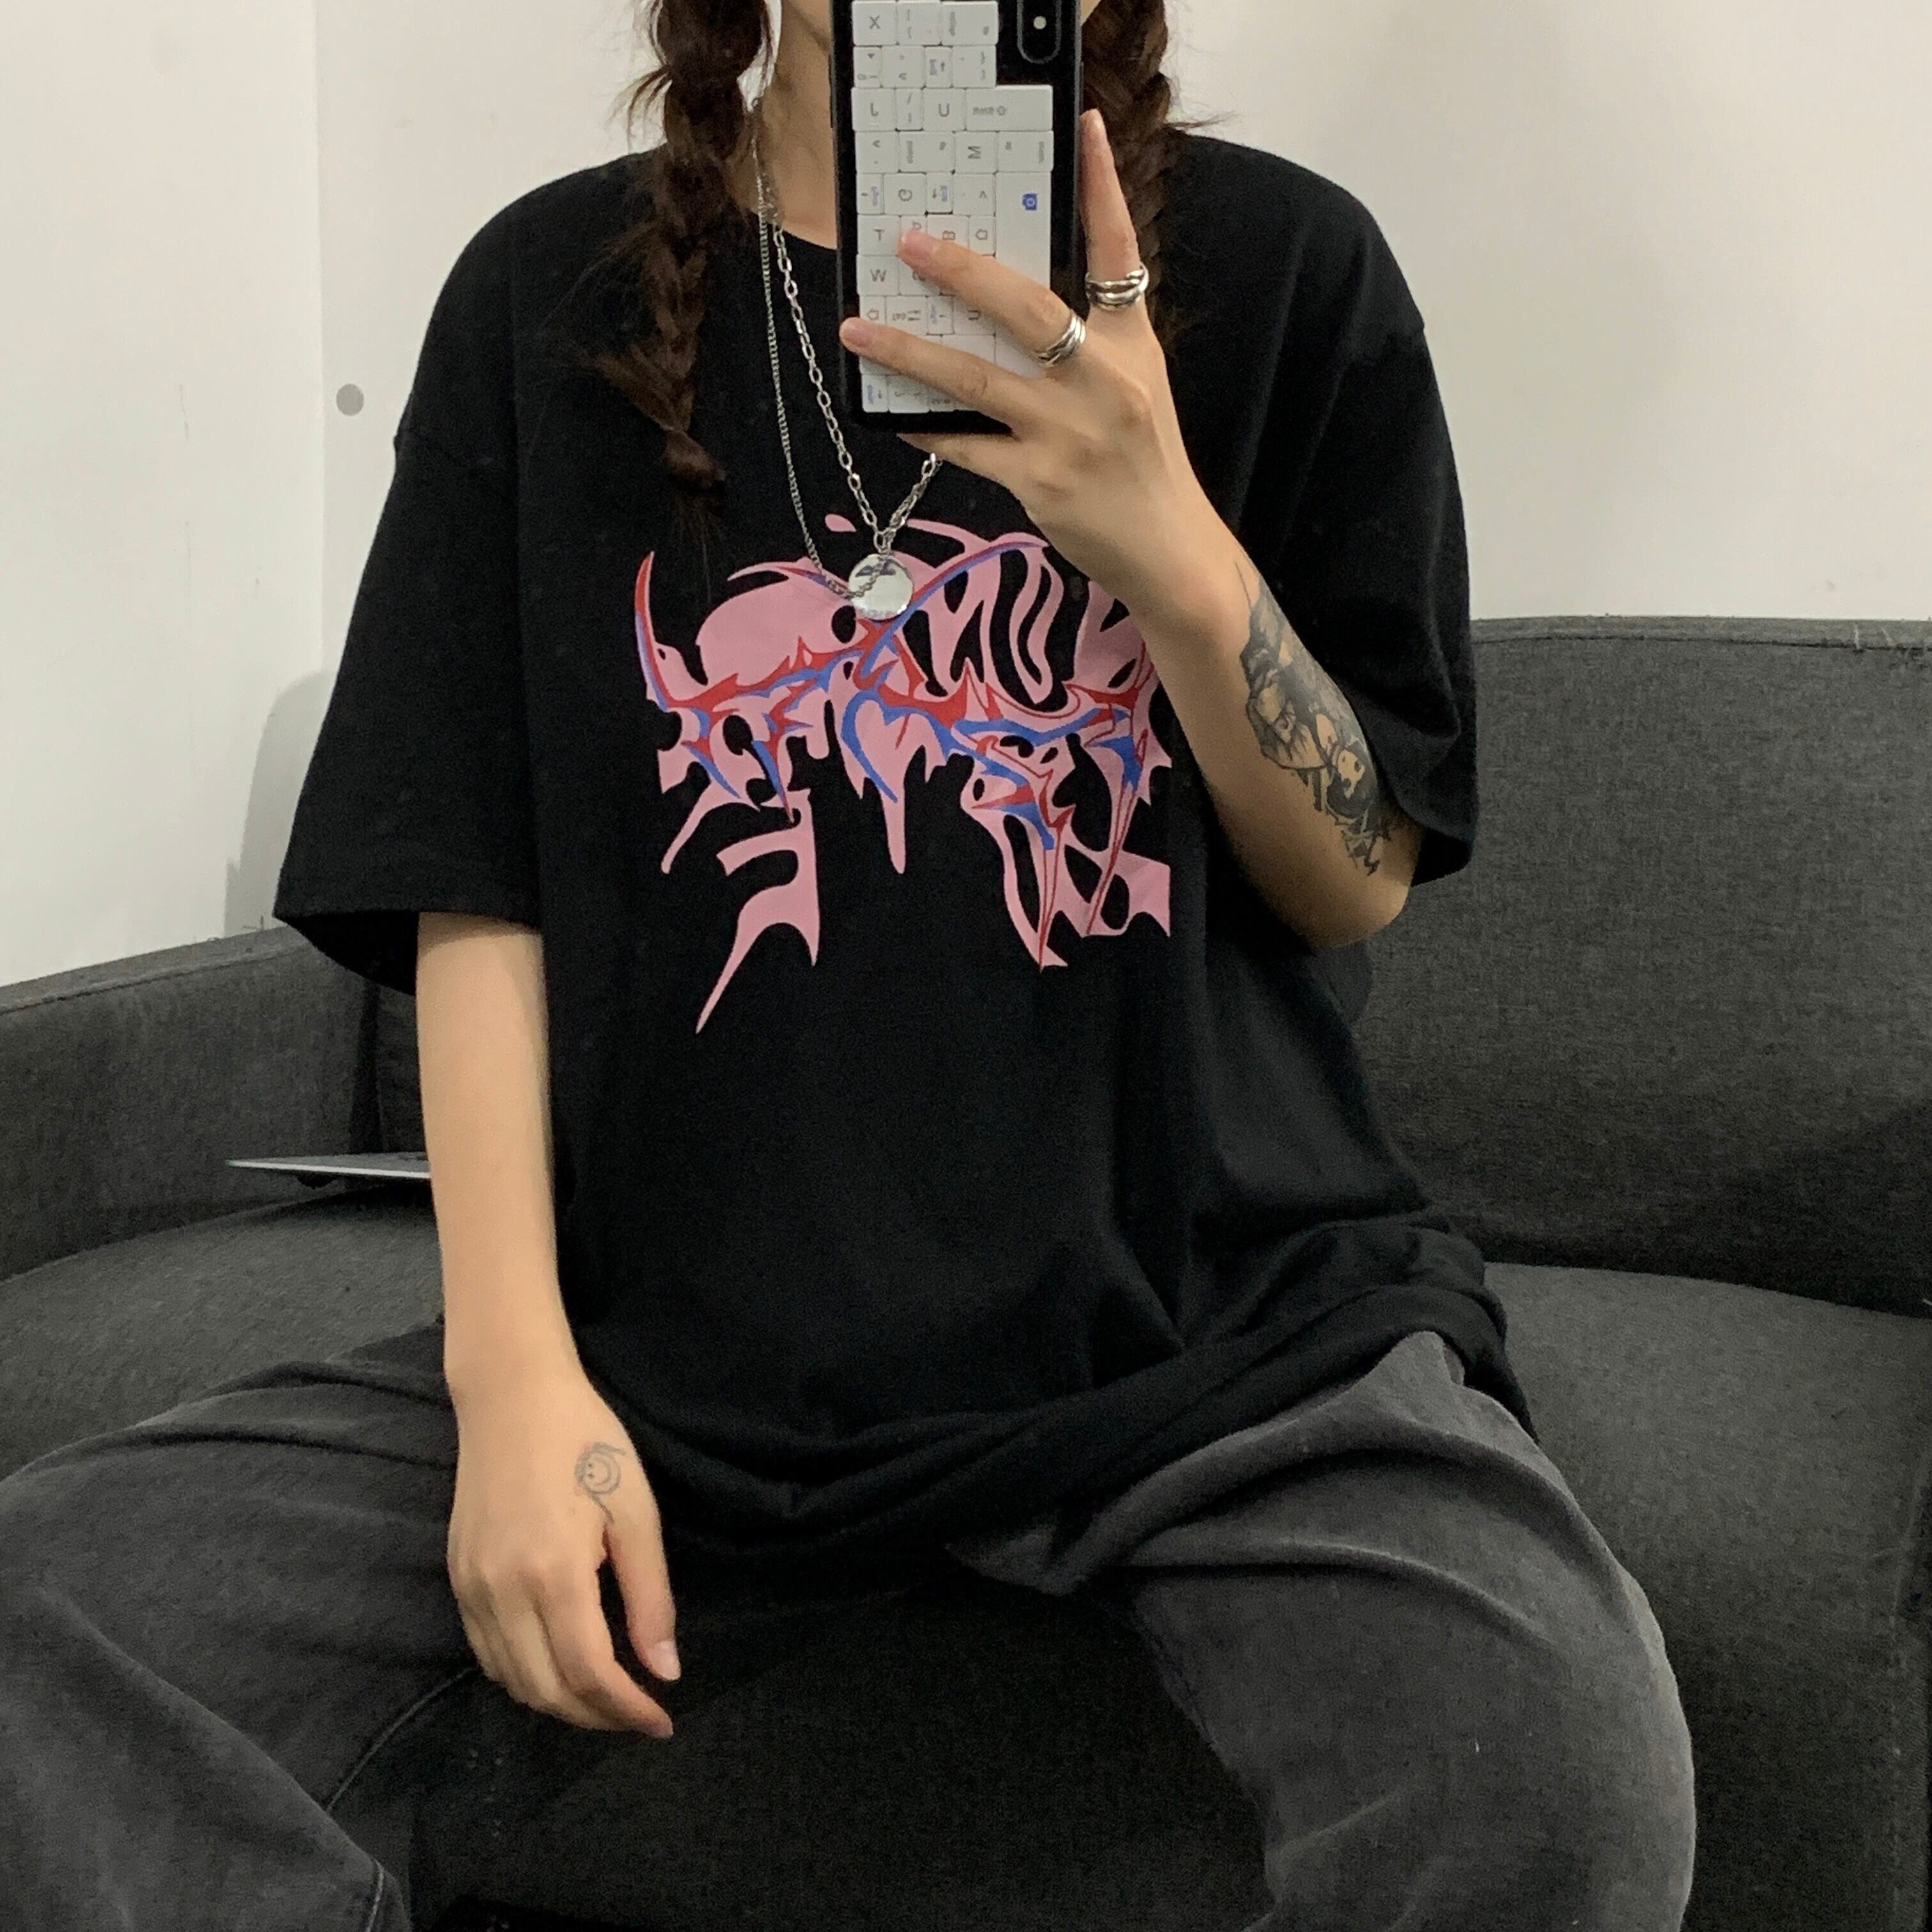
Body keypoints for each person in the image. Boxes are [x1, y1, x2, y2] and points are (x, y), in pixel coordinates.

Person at [0, 1, 1699, 1927]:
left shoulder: (1290, 270)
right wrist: (515, 1377)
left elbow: (1358, 876)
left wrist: (1171, 540)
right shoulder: (544, 300)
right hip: (679, 1354)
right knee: (54, 1607)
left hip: (1212, 1338)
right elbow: (473, 888)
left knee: (1555, 1750)